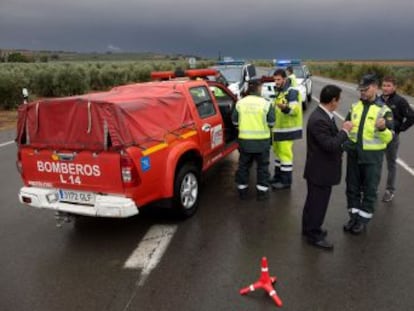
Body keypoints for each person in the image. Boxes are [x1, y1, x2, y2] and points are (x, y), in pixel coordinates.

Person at [302, 85, 353, 250]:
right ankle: (314, 235)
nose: (339, 103)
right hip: (320, 171)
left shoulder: (324, 115)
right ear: (333, 101)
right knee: (318, 204)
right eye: (339, 99)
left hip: (318, 169)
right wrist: (345, 132)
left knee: (312, 202)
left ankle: (308, 228)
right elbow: (330, 145)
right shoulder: (319, 120)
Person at [343, 74, 394, 235]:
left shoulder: (384, 111)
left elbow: (389, 137)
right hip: (353, 156)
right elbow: (347, 129)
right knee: (352, 188)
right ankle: (353, 217)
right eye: (361, 90)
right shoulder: (354, 107)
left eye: (365, 89)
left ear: (374, 87)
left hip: (372, 159)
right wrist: (344, 144)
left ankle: (363, 221)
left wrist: (382, 129)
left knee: (370, 190)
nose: (362, 93)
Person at [232, 79, 275, 201]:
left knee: (243, 166)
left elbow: (234, 121)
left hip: (245, 142)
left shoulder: (240, 103)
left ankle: (242, 191)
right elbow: (272, 122)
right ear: (259, 88)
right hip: (262, 143)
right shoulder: (266, 103)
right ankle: (262, 193)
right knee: (262, 167)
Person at [380, 76, 414, 202]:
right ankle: (373, 188)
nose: (385, 88)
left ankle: (390, 190)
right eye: (384, 85)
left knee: (391, 165)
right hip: (378, 138)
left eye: (388, 85)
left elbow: (411, 117)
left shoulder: (400, 101)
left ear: (394, 87)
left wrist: (400, 129)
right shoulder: (378, 100)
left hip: (391, 139)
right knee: (376, 164)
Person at [270, 69, 303, 190]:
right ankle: (277, 177)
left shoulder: (291, 92)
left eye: (278, 79)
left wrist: (284, 108)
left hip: (287, 130)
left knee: (285, 156)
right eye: (275, 79)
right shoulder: (279, 91)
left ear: (284, 78)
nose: (276, 82)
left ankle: (286, 182)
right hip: (278, 129)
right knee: (278, 155)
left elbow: (294, 111)